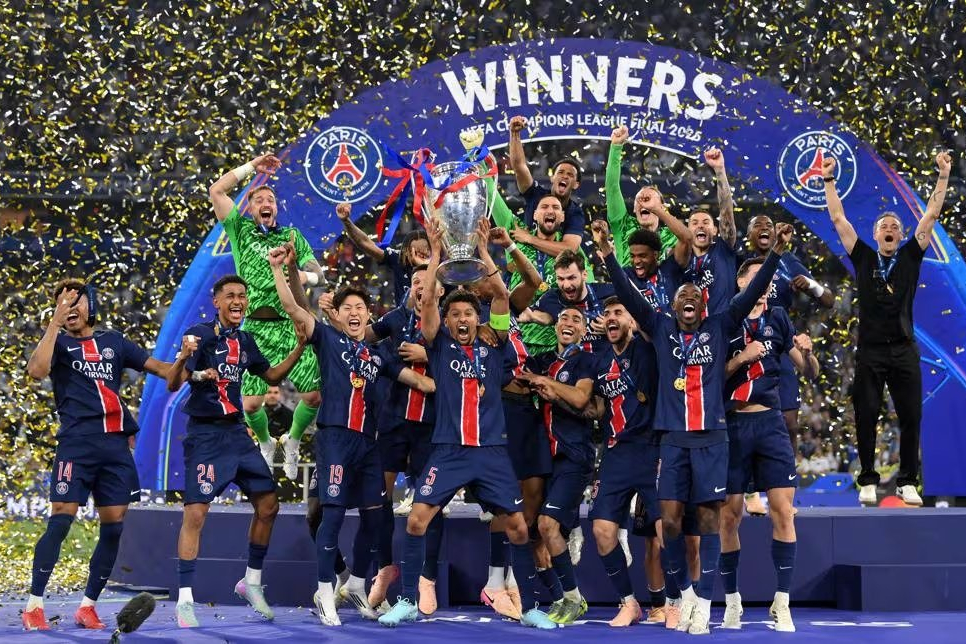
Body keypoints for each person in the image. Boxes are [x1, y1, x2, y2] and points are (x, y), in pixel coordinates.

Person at [597, 218, 793, 635]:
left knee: (706, 523)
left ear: (703, 306)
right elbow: (630, 296)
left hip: (712, 440)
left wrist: (775, 253)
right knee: (668, 522)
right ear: (673, 307)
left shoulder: (720, 325)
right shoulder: (660, 327)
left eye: (694, 295)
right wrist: (609, 256)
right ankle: (684, 594)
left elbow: (753, 291)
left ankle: (703, 603)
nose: (688, 297)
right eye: (681, 295)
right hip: (672, 441)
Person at [378, 218, 557, 629]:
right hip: (449, 450)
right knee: (417, 520)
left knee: (517, 527)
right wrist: (435, 255)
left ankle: (530, 606)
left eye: (468, 313)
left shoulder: (496, 344)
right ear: (447, 321)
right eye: (455, 313)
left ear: (478, 319)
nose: (462, 318)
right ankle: (407, 600)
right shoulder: (439, 346)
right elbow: (427, 303)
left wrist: (482, 250)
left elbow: (501, 295)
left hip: (492, 452)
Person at [269, 247, 436, 626]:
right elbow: (294, 307)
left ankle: (358, 584)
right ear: (339, 315)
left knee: (377, 519)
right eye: (348, 308)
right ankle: (325, 590)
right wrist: (280, 269)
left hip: (369, 445)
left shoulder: (379, 356)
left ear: (368, 314)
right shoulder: (327, 339)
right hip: (336, 440)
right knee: (331, 516)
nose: (355, 312)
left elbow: (423, 384)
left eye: (361, 307)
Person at [23, 280, 172, 631]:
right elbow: (36, 371)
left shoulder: (114, 341)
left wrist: (189, 362)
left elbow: (162, 369)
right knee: (61, 519)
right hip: (76, 443)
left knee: (114, 526)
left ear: (91, 304)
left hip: (115, 447)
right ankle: (33, 606)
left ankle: (88, 606)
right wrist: (54, 322)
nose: (69, 307)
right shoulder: (57, 343)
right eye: (62, 303)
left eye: (75, 301)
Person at [166, 275, 306, 628]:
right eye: (230, 296)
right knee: (196, 514)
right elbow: (173, 382)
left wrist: (300, 347)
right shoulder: (199, 335)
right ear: (216, 302)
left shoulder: (245, 340)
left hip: (236, 433)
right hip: (206, 435)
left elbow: (271, 376)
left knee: (269, 505)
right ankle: (185, 600)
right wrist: (184, 358)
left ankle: (251, 582)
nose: (238, 301)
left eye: (242, 295)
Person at [824, 151, 951, 506]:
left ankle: (907, 481)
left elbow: (932, 214)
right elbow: (837, 217)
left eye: (895, 226)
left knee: (911, 415)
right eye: (884, 226)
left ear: (903, 234)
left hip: (904, 348)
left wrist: (943, 176)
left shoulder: (911, 255)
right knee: (866, 414)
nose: (891, 229)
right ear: (875, 234)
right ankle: (867, 479)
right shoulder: (863, 256)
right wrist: (829, 179)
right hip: (871, 351)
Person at [718, 257, 822, 632]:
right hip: (733, 424)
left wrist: (807, 352)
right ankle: (732, 602)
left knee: (783, 511)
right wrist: (740, 359)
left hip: (770, 424)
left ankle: (782, 602)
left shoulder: (778, 317)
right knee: (729, 516)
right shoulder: (726, 319)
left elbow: (809, 371)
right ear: (741, 283)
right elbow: (710, 377)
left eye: (769, 280)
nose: (765, 285)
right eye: (757, 278)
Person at [209, 154, 328, 480]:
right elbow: (216, 190)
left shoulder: (291, 237)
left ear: (276, 208)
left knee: (314, 396)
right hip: (255, 329)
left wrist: (304, 276)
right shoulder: (240, 230)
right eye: (259, 199)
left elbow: (319, 274)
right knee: (250, 405)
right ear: (249, 208)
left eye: (271, 200)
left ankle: (292, 439)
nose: (266, 203)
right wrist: (252, 167)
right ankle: (264, 442)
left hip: (290, 326)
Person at [739, 214, 834, 515]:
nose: (764, 228)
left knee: (789, 423)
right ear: (749, 234)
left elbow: (829, 299)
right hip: (745, 339)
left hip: (779, 339)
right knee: (745, 417)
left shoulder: (788, 261)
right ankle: (750, 490)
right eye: (757, 225)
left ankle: (783, 493)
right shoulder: (741, 263)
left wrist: (811, 286)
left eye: (769, 225)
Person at [365, 265, 445, 613]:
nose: (420, 287)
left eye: (428, 283)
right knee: (377, 497)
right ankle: (384, 568)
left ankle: (427, 579)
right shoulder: (395, 319)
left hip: (432, 424)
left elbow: (466, 359)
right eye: (415, 282)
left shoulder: (450, 322)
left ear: (440, 291)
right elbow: (361, 337)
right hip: (393, 420)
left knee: (431, 501)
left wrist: (430, 355)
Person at [516, 306, 597, 625]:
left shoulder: (586, 361)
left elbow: (581, 398)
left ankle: (573, 599)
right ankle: (562, 596)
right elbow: (517, 375)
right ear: (555, 326)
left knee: (548, 525)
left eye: (576, 320)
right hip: (543, 458)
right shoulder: (542, 360)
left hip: (574, 455)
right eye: (563, 317)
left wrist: (546, 384)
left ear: (583, 330)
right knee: (536, 531)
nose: (568, 323)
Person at [676, 148, 739, 317]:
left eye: (706, 223)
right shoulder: (680, 259)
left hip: (723, 327)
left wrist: (719, 171)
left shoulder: (722, 249)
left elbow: (726, 212)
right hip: (691, 328)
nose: (700, 226)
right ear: (688, 230)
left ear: (716, 230)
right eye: (694, 223)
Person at [508, 115, 585, 251]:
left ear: (576, 184)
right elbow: (519, 167)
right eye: (560, 172)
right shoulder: (535, 194)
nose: (565, 176)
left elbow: (569, 249)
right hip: (524, 260)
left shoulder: (575, 213)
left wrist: (529, 238)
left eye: (570, 175)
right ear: (552, 178)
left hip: (555, 264)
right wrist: (514, 134)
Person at [336, 202, 431, 307]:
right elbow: (365, 242)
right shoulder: (398, 259)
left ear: (431, 251)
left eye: (424, 251)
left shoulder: (439, 267)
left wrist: (427, 267)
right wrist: (346, 221)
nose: (418, 256)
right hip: (403, 316)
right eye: (414, 252)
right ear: (405, 252)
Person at [606, 125, 679, 260]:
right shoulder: (623, 226)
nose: (644, 203)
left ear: (662, 207)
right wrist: (616, 147)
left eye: (649, 199)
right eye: (640, 199)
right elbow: (612, 188)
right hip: (626, 275)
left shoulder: (673, 235)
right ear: (634, 208)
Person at [521, 250, 615, 352]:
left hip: (607, 359)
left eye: (571, 278)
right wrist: (535, 317)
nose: (566, 285)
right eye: (561, 279)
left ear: (584, 275)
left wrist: (613, 326)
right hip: (570, 360)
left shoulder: (608, 292)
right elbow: (532, 314)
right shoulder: (551, 298)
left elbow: (629, 320)